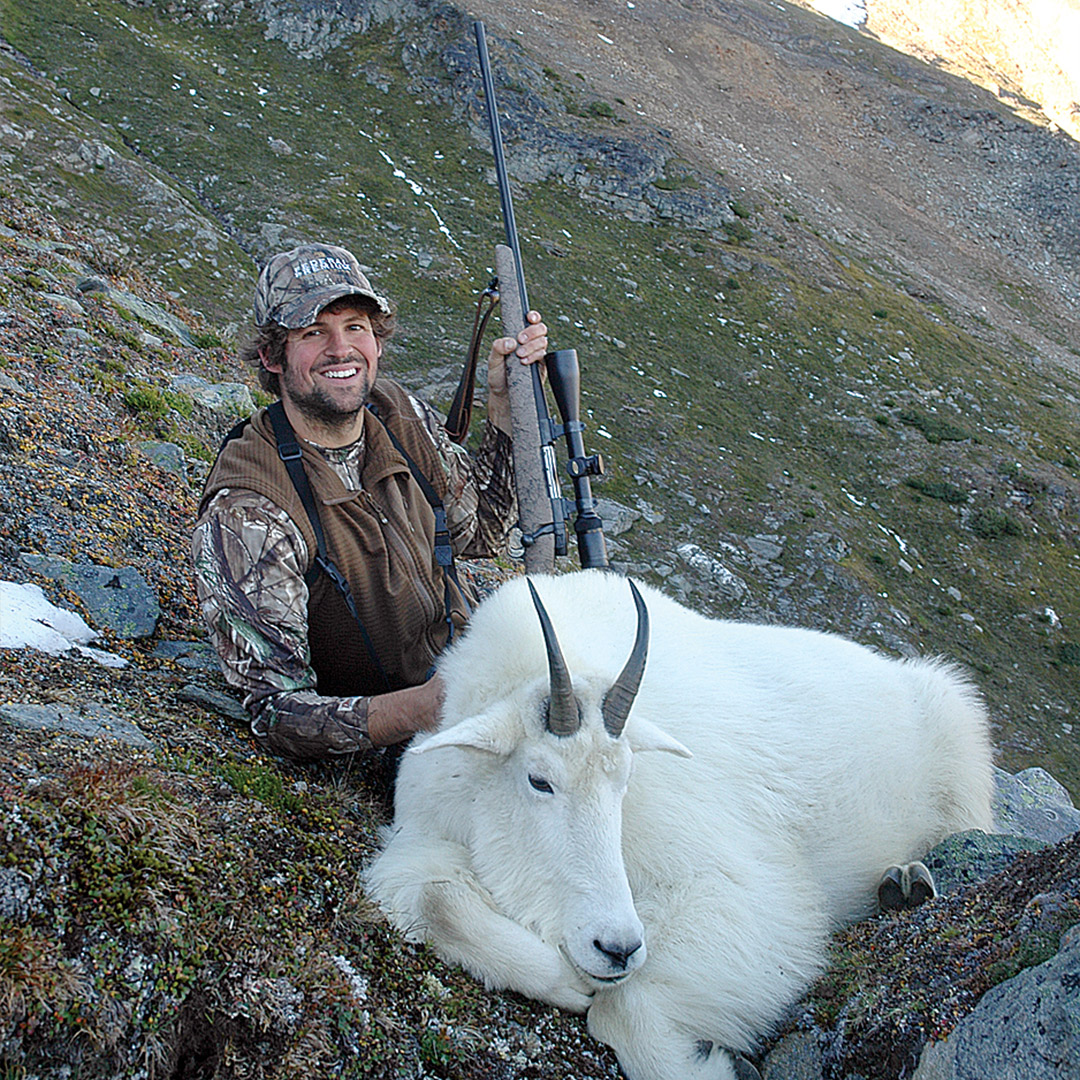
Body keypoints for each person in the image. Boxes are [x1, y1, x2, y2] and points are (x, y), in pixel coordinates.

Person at [192, 242, 548, 759]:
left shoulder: (397, 414)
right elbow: (277, 713)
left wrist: (503, 404)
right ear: (272, 355)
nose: (341, 349)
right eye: (314, 332)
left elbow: (484, 531)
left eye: (356, 326)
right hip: (398, 748)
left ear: (377, 341)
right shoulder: (249, 511)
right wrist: (423, 709)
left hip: (471, 679)